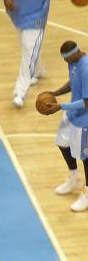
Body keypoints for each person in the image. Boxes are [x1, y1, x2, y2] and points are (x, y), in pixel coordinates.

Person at [44, 40, 88, 212]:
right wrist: (55, 93)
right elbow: (72, 83)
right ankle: (74, 177)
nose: (65, 62)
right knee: (62, 142)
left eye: (66, 59)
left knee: (85, 158)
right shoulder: (74, 63)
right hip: (72, 114)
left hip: (84, 118)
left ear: (75, 54)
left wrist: (60, 106)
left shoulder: (86, 68)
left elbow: (86, 102)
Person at [3, 0, 50, 107]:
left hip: (37, 16)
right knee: (29, 49)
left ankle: (20, 92)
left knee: (29, 55)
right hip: (17, 12)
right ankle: (38, 71)